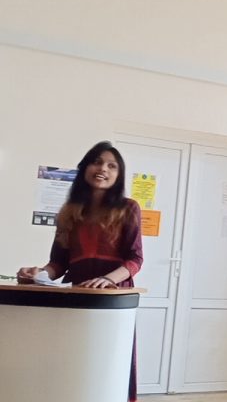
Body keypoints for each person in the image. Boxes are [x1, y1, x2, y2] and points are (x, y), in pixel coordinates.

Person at [17, 140, 143, 402]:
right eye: (97, 162)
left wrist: (106, 279)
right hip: (74, 296)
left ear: (119, 175)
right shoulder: (68, 213)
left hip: (112, 298)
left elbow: (135, 259)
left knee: (108, 366)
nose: (103, 169)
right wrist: (38, 274)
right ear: (85, 168)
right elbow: (58, 263)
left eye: (112, 166)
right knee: (73, 365)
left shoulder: (128, 208)